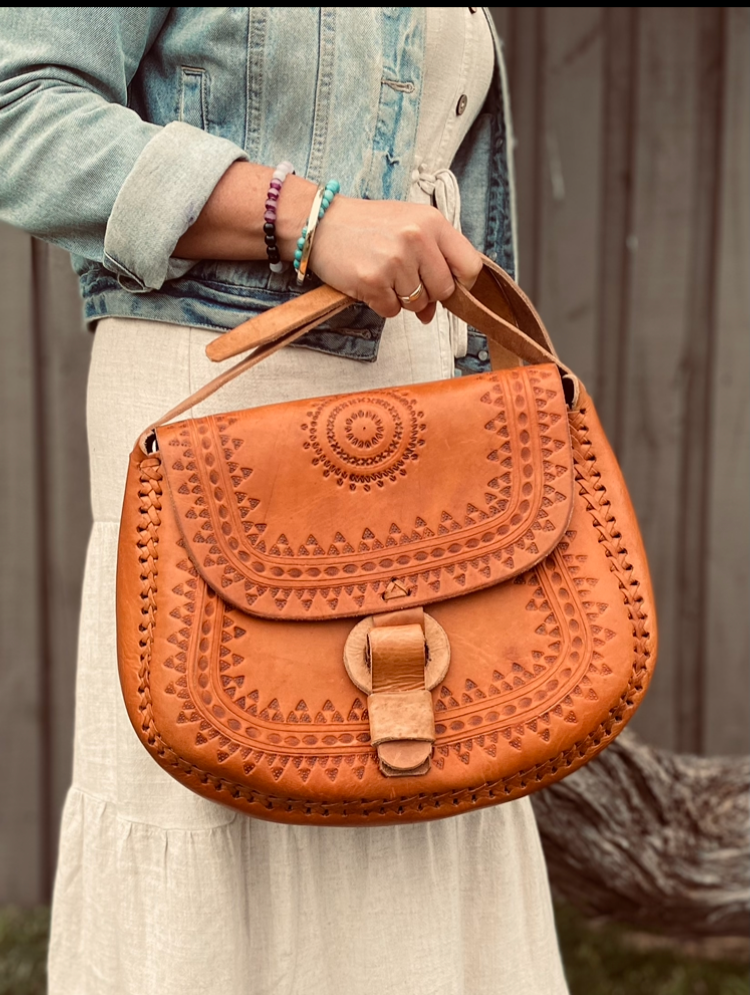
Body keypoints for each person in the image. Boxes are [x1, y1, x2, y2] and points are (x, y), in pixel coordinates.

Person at [0, 9, 570, 994]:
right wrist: (305, 214)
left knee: (409, 783)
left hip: (418, 404)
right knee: (226, 803)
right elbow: (21, 113)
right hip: (226, 413)